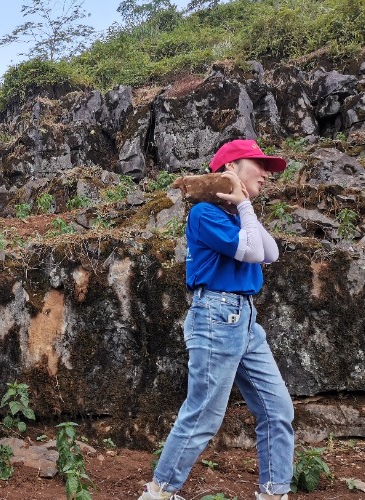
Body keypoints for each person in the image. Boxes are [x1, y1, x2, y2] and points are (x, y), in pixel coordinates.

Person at [139, 139, 295, 500]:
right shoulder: (205, 214)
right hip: (217, 316)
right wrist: (243, 206)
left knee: (277, 410)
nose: (266, 174)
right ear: (231, 169)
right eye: (259, 165)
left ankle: (274, 492)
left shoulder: (234, 214)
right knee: (204, 414)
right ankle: (159, 492)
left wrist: (245, 208)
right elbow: (254, 252)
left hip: (245, 319)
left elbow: (271, 252)